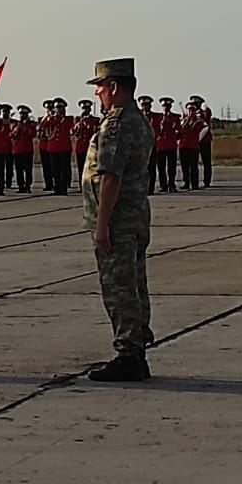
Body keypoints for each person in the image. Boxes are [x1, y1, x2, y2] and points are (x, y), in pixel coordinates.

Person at [82, 58, 155, 382]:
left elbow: (110, 177)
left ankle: (129, 354)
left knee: (120, 288)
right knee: (135, 285)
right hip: (136, 217)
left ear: (113, 87)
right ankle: (136, 351)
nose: (98, 94)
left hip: (118, 220)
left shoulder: (117, 123)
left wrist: (101, 226)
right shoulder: (139, 121)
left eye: (100, 87)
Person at [155, 97, 181, 192]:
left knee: (171, 167)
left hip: (171, 145)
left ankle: (171, 184)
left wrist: (174, 132)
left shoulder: (175, 117)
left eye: (168, 106)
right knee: (161, 167)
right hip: (161, 145)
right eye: (164, 106)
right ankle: (163, 185)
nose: (166, 108)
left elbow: (179, 131)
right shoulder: (158, 117)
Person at [179, 101, 206, 190]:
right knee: (184, 166)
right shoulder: (183, 121)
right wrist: (186, 121)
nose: (191, 112)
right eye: (189, 110)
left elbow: (197, 130)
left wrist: (189, 121)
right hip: (183, 146)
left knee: (193, 166)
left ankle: (194, 183)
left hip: (193, 146)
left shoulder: (199, 121)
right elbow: (180, 131)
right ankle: (186, 182)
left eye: (192, 110)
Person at [71, 99, 99, 181]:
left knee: (92, 167)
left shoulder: (95, 120)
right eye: (83, 108)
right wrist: (79, 122)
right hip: (80, 147)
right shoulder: (77, 120)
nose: (85, 110)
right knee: (81, 167)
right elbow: (73, 132)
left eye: (87, 108)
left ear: (90, 109)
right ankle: (81, 184)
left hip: (91, 147)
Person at [10, 106, 36, 193]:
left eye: (24, 114)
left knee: (28, 169)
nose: (22, 116)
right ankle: (20, 186)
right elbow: (11, 135)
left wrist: (24, 128)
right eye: (21, 114)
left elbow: (32, 133)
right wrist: (15, 130)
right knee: (19, 169)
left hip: (27, 150)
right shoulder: (15, 124)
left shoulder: (30, 124)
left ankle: (28, 185)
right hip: (17, 150)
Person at [192, 96, 215, 187]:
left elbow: (207, 119)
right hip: (194, 141)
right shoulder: (191, 114)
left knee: (206, 161)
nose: (194, 106)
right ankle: (194, 181)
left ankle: (207, 180)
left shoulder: (204, 112)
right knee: (194, 162)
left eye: (196, 104)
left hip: (204, 139)